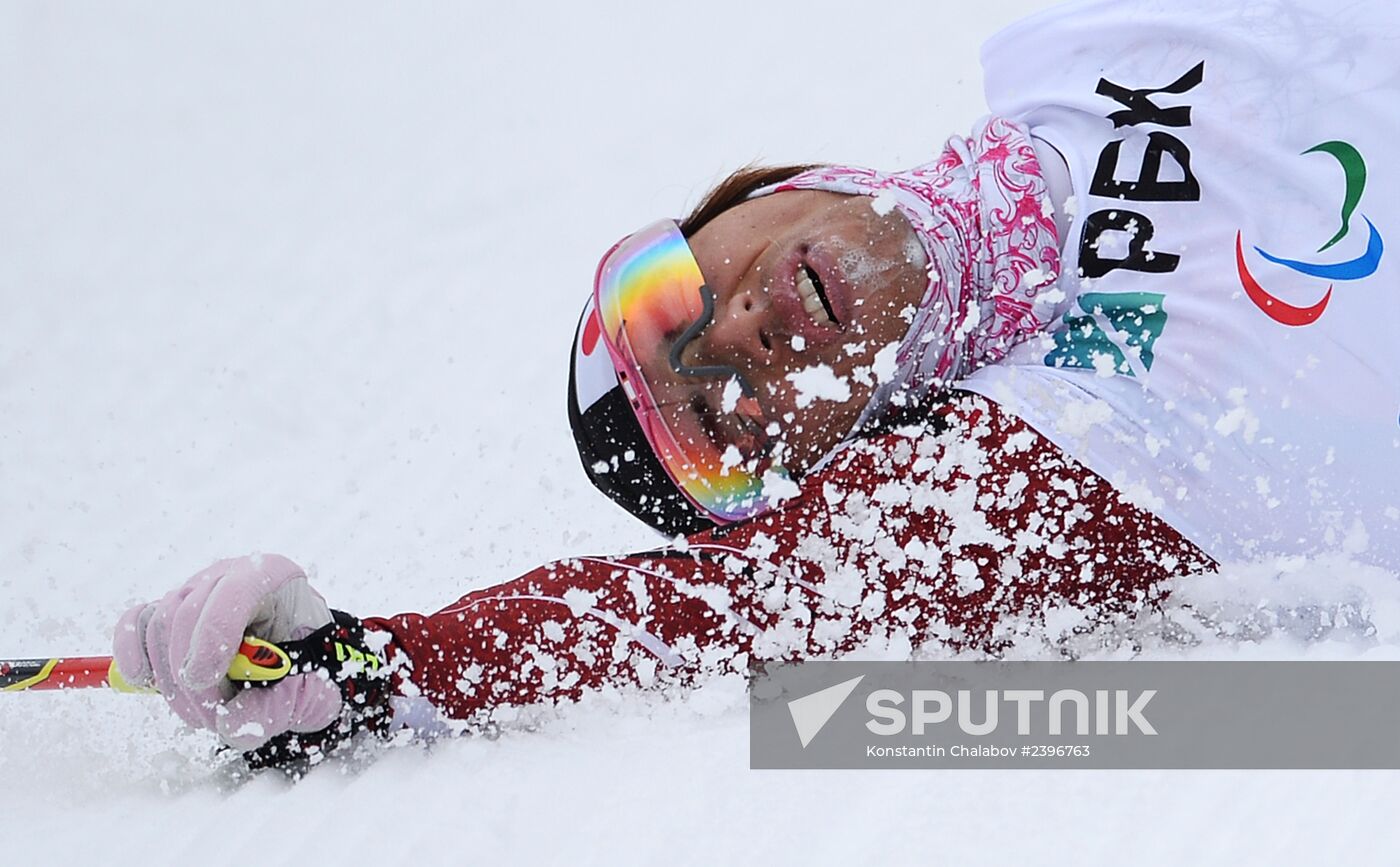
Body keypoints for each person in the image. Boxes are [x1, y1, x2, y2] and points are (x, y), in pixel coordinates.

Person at [113, 0, 1399, 770]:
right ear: (848, 459)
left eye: (671, 305)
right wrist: (379, 668)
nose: (737, 334)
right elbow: (724, 611)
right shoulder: (1091, 445)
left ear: (751, 195)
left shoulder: (1079, 34)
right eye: (724, 422)